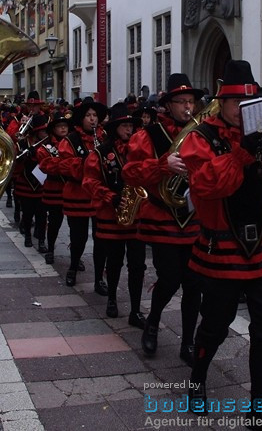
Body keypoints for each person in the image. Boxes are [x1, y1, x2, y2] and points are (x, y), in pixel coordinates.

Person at [179, 60, 262, 431]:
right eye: (236, 106)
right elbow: (208, 184)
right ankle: (197, 379)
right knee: (214, 325)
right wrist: (242, 153)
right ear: (221, 104)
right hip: (221, 253)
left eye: (250, 105)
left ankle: (259, 408)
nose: (244, 112)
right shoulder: (200, 137)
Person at [123, 73, 205, 358]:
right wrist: (162, 164)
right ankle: (153, 322)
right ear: (168, 105)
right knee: (169, 279)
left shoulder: (201, 134)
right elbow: (130, 174)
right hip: (163, 218)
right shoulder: (148, 135)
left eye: (191, 101)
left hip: (193, 218)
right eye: (181, 101)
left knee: (195, 284)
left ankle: (188, 342)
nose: (187, 107)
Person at [83, 103, 147, 323]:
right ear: (115, 128)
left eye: (131, 125)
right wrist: (111, 197)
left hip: (138, 216)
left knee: (138, 265)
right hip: (112, 216)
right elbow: (89, 182)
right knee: (115, 261)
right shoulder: (101, 153)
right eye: (125, 126)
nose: (129, 130)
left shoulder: (140, 150)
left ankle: (136, 309)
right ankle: (111, 298)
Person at [55, 97, 108, 290]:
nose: (92, 119)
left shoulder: (104, 137)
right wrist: (89, 162)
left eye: (95, 115)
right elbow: (66, 166)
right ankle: (73, 267)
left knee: (101, 238)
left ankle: (98, 279)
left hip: (99, 195)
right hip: (78, 193)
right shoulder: (70, 139)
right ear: (81, 119)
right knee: (79, 238)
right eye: (88, 116)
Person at [35, 112, 71, 265]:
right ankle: (50, 249)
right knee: (54, 222)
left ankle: (75, 256)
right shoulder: (45, 147)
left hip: (70, 188)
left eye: (65, 126)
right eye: (59, 126)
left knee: (75, 227)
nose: (63, 129)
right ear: (53, 129)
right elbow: (45, 166)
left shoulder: (73, 144)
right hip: (54, 188)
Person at [13, 114, 49, 251]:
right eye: (43, 131)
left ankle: (41, 241)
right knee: (27, 214)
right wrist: (23, 157)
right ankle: (27, 236)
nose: (46, 134)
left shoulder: (47, 145)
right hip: (25, 185)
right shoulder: (21, 144)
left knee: (42, 215)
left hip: (41, 186)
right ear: (36, 131)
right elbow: (15, 164)